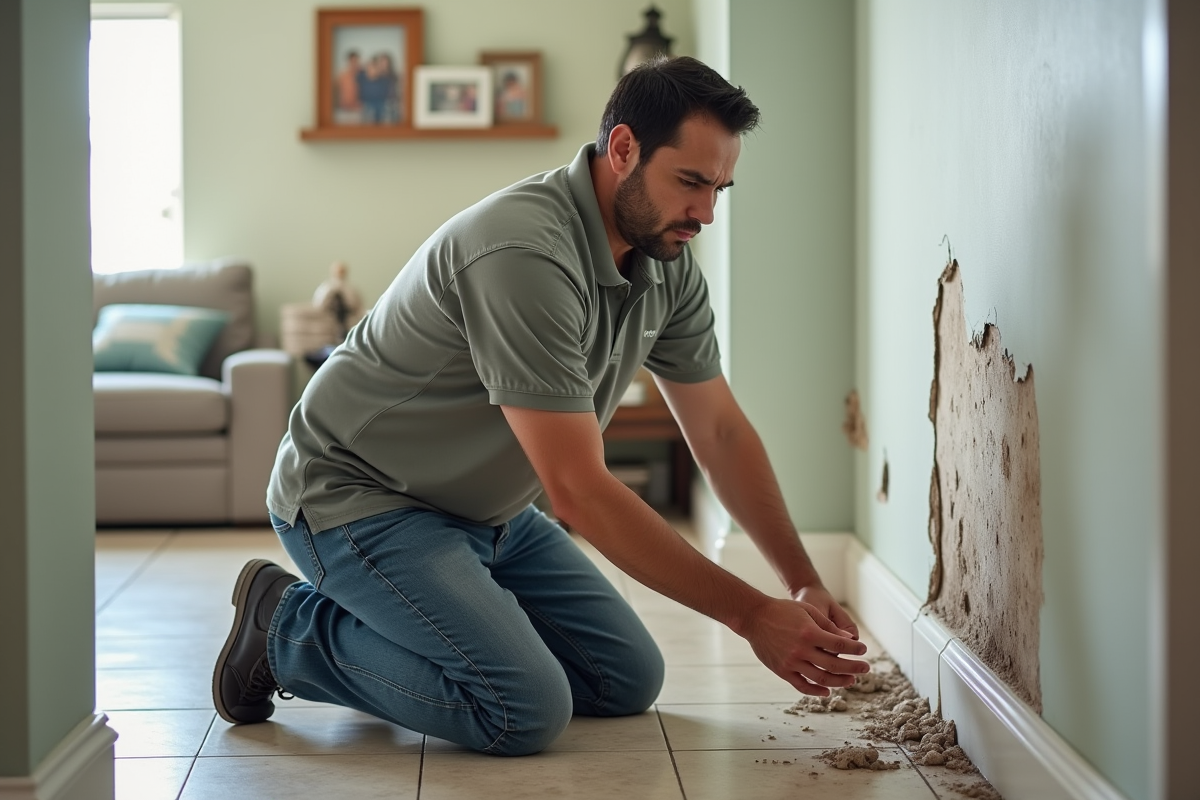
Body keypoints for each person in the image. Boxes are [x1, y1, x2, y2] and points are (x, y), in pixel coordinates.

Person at [212, 55, 868, 756]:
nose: (706, 213)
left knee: (625, 680)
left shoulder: (665, 263)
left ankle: (416, 618)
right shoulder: (523, 250)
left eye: (721, 189)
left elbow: (721, 432)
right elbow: (580, 492)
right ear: (623, 150)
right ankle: (286, 629)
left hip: (486, 513)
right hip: (357, 498)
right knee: (522, 709)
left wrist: (799, 583)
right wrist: (750, 615)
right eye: (691, 183)